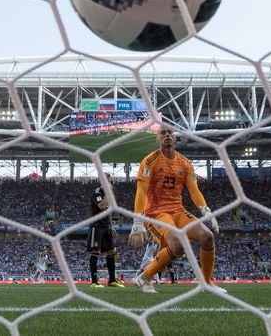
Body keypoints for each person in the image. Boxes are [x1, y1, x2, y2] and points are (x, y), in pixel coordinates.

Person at [129, 126, 222, 294]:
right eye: (162, 133)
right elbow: (141, 192)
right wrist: (137, 221)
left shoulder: (185, 163)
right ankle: (144, 278)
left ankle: (206, 283)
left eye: (170, 132)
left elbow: (194, 190)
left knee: (207, 236)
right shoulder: (149, 161)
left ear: (175, 137)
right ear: (157, 139)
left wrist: (206, 211)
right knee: (178, 244)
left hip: (178, 211)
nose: (167, 135)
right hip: (156, 213)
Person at [87, 172, 124, 288]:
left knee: (111, 251)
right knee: (96, 251)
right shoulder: (97, 192)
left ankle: (112, 280)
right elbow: (102, 206)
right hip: (96, 226)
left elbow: (108, 211)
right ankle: (94, 281)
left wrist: (111, 226)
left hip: (106, 226)